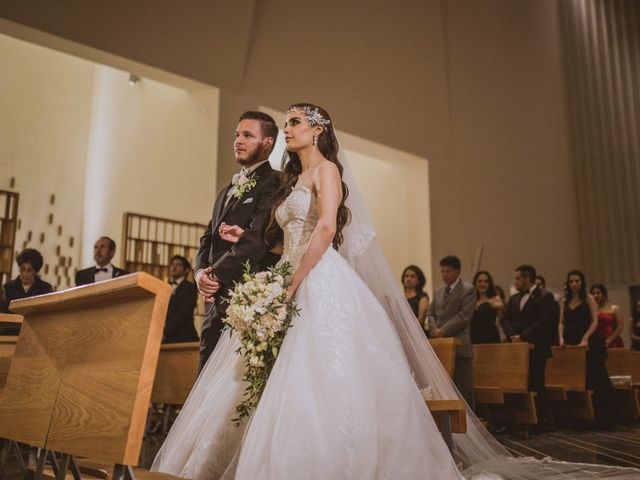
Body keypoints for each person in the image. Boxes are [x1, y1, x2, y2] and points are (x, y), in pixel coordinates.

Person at [153, 105, 640, 480]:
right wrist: (259, 248)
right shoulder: (291, 179)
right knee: (266, 372)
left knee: (322, 369)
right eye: (287, 123)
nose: (290, 129)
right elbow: (283, 234)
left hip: (316, 278)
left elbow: (324, 230)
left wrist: (295, 279)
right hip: (287, 273)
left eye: (296, 121)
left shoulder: (326, 172)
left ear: (318, 129)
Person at [193, 111, 281, 373]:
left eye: (247, 135)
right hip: (215, 301)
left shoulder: (274, 182)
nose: (238, 140)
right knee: (205, 376)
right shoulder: (225, 191)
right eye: (236, 135)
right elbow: (207, 237)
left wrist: (216, 273)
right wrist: (200, 273)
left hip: (249, 297)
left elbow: (257, 239)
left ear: (268, 143)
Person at [502, 264, 556, 429]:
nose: (516, 281)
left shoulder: (544, 296)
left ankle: (542, 421)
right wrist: (513, 336)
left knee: (537, 383)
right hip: (517, 348)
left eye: (518, 278)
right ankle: (523, 419)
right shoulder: (513, 299)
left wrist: (523, 336)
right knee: (519, 383)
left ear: (527, 278)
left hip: (536, 347)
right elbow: (505, 319)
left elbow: (545, 321)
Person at [559, 271, 615, 429]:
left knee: (597, 379)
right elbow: (561, 323)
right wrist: (561, 338)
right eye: (571, 281)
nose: (574, 284)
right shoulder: (565, 300)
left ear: (582, 282)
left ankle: (602, 419)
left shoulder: (589, 299)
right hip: (571, 341)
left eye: (577, 281)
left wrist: (585, 338)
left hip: (589, 342)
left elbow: (595, 321)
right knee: (577, 379)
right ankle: (581, 419)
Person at [427, 256, 476, 409]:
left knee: (463, 386)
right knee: (444, 387)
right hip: (440, 346)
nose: (444, 275)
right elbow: (430, 313)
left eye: (448, 271)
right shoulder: (438, 291)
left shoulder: (468, 290)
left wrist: (444, 330)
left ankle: (469, 423)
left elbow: (464, 316)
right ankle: (450, 423)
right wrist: (434, 329)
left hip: (459, 345)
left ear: (457, 271)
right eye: (442, 271)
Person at [0, 248, 53, 334]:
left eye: (29, 270)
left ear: (36, 271)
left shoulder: (45, 289)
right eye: (22, 269)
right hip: (11, 333)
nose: (25, 273)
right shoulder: (7, 288)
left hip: (35, 333)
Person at [163, 255, 199, 344]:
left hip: (183, 336)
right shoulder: (164, 286)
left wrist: (165, 332)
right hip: (166, 338)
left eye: (178, 265)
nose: (173, 267)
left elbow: (184, 313)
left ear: (186, 270)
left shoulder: (190, 288)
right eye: (172, 264)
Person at [470, 271, 504, 344]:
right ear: (475, 284)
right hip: (474, 337)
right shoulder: (470, 300)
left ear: (489, 284)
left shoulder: (496, 299)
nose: (483, 284)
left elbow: (501, 317)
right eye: (479, 281)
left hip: (491, 337)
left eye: (486, 282)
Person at [590, 284, 624, 348]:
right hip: (597, 343)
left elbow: (620, 327)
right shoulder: (592, 310)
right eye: (593, 294)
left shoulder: (615, 308)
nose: (595, 295)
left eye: (597, 293)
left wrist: (608, 341)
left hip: (613, 342)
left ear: (604, 294)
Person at [401, 264, 429, 330]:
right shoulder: (400, 298)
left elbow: (420, 320)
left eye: (412, 276)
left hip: (416, 333)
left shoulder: (422, 298)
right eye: (406, 276)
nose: (408, 279)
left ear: (419, 280)